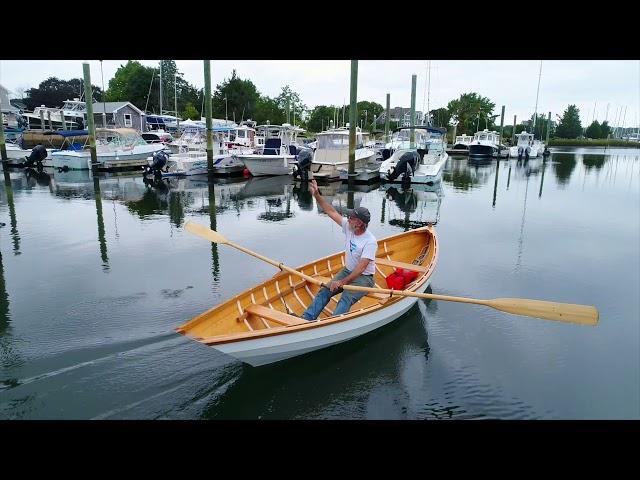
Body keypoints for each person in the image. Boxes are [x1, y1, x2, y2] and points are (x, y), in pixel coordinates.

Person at [301, 179, 377, 321]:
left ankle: (333, 323)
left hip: (365, 278)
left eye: (352, 218)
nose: (348, 219)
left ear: (360, 223)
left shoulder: (370, 242)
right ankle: (306, 319)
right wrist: (317, 195)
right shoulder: (349, 227)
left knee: (346, 297)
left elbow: (360, 269)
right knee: (325, 290)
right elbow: (330, 211)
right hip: (348, 271)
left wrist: (342, 283)